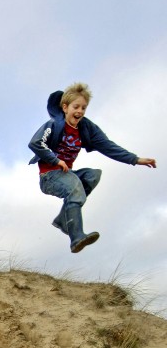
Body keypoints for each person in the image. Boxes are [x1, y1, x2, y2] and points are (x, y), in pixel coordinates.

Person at [28, 83, 156, 253]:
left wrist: (135, 159)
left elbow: (107, 146)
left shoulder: (85, 128)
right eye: (76, 107)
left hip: (66, 174)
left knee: (92, 175)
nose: (79, 111)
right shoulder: (54, 125)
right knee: (75, 188)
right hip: (49, 176)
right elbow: (35, 143)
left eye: (83, 108)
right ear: (65, 107)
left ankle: (63, 220)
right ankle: (76, 238)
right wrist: (55, 160)